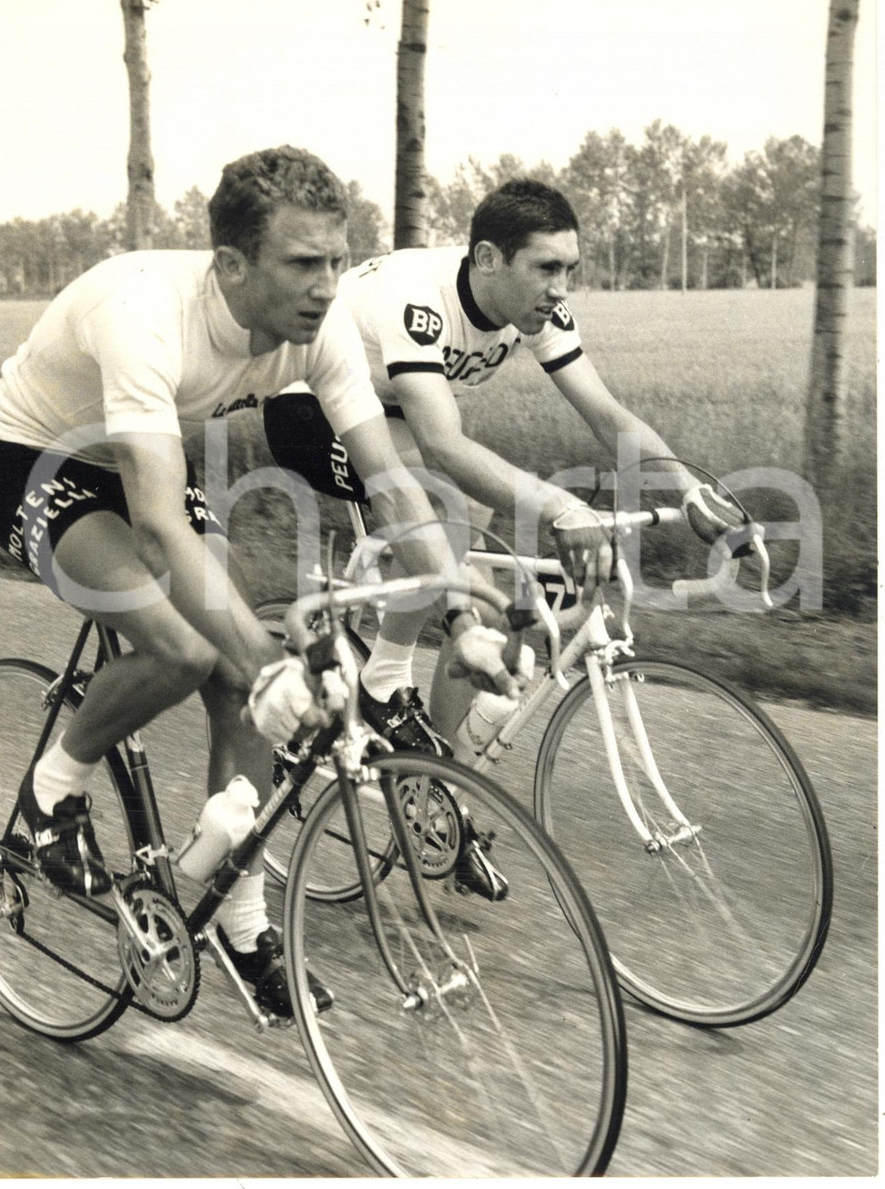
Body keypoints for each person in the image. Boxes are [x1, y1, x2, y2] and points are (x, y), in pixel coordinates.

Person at [0, 145, 523, 1018]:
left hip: (135, 453)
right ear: (231, 264)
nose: (328, 283)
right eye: (304, 262)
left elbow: (389, 478)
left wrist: (459, 610)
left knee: (240, 658)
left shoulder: (322, 327)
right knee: (196, 645)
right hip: (34, 461)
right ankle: (51, 795)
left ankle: (240, 920)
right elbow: (157, 519)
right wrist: (267, 662)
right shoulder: (145, 312)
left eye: (338, 260)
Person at [265, 177, 743, 899]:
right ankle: (385, 679)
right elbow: (445, 444)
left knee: (480, 559)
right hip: (308, 406)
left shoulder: (536, 308)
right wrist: (557, 507)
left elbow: (608, 417)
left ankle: (439, 793)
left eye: (569, 269)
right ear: (489, 259)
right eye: (547, 268)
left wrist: (690, 487)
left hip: (384, 409)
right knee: (450, 502)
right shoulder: (417, 297)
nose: (561, 286)